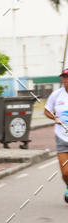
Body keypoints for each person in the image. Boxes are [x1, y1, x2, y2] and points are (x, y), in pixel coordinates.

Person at [43, 69, 68, 203]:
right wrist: (53, 117)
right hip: (61, 138)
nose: (66, 80)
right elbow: (47, 111)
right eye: (64, 77)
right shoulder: (56, 95)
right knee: (65, 173)